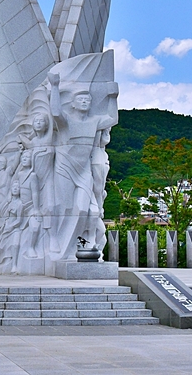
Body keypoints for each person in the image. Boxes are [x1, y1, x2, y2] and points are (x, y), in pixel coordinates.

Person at [48, 71, 117, 260]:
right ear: (73, 103)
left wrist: (113, 97)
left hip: (83, 171)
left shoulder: (94, 122)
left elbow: (112, 119)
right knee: (63, 206)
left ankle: (78, 243)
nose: (86, 102)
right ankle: (56, 239)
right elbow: (55, 112)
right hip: (64, 168)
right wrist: (54, 87)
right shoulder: (67, 121)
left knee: (83, 208)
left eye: (88, 99)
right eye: (81, 99)